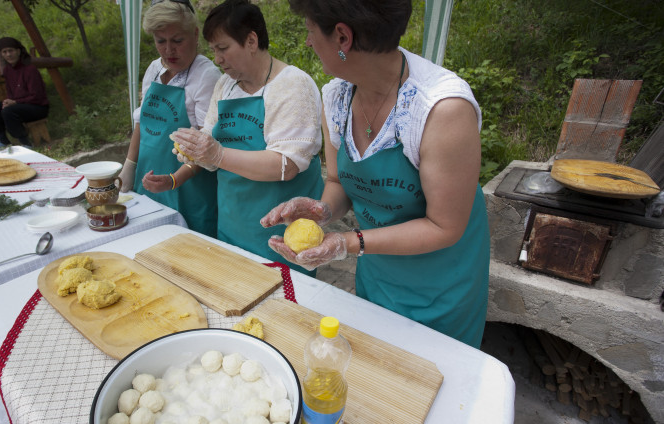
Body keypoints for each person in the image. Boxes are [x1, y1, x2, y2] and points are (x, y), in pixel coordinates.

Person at [261, 0, 490, 348]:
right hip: (377, 269)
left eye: (310, 31)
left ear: (342, 37)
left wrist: (346, 243)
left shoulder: (441, 110)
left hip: (440, 286)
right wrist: (321, 211)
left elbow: (445, 226)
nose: (308, 42)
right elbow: (339, 182)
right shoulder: (336, 97)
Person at [171, 0, 324, 276]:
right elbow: (209, 136)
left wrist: (217, 154)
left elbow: (286, 165)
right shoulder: (225, 84)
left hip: (280, 232)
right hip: (232, 221)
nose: (217, 59)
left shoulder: (292, 85)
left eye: (223, 48)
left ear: (251, 40)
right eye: (213, 51)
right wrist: (195, 149)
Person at [119, 0, 221, 238]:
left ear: (195, 35)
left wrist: (174, 180)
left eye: (177, 41)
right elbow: (141, 122)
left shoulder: (205, 75)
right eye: (160, 41)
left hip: (188, 186)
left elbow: (208, 144)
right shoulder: (154, 69)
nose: (168, 50)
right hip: (150, 178)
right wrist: (129, 168)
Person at [0, 37, 49, 148]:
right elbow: (10, 92)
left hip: (37, 107)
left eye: (11, 51)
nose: (8, 54)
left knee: (8, 111)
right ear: (2, 54)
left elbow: (37, 96)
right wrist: (8, 102)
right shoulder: (8, 70)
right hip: (18, 106)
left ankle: (25, 143)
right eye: (5, 52)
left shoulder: (30, 69)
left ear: (18, 51)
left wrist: (15, 102)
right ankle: (2, 140)